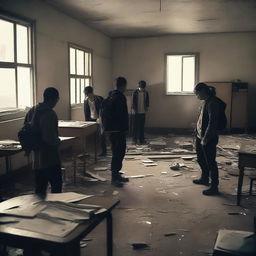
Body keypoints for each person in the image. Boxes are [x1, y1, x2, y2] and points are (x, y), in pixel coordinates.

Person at [24, 87, 61, 198]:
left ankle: (40, 213)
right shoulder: (49, 114)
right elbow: (49, 138)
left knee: (40, 190)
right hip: (50, 158)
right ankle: (58, 212)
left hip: (37, 158)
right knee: (56, 188)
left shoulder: (33, 110)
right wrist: (58, 141)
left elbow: (26, 128)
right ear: (54, 99)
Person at [193, 83, 221, 196]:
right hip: (200, 136)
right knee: (200, 158)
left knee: (211, 162)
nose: (196, 96)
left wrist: (206, 138)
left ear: (203, 91)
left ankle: (214, 187)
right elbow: (201, 119)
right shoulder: (205, 101)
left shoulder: (212, 102)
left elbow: (212, 123)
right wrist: (196, 132)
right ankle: (204, 178)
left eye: (197, 93)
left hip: (208, 138)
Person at [103, 77, 129, 187]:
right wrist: (125, 128)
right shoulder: (120, 97)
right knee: (119, 152)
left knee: (116, 152)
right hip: (118, 130)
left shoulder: (110, 95)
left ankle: (116, 174)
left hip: (112, 130)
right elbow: (122, 114)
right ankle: (114, 177)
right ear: (123, 85)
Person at [84, 86, 107, 156]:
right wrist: (87, 122)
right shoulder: (86, 100)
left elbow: (104, 109)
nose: (88, 96)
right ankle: (93, 151)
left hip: (100, 119)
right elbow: (86, 112)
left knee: (102, 135)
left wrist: (101, 118)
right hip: (91, 119)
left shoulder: (99, 99)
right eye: (86, 94)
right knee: (93, 136)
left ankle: (104, 151)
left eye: (88, 94)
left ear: (92, 93)